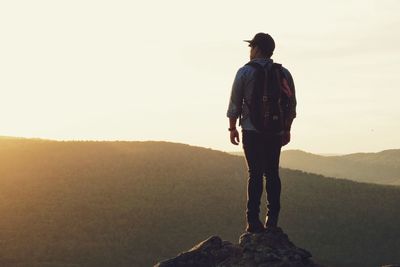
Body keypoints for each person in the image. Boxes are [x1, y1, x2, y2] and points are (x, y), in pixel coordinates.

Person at [226, 32, 297, 233]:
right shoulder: (283, 73)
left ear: (257, 48)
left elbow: (234, 103)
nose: (249, 51)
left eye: (251, 47)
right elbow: (291, 105)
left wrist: (232, 128)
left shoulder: (244, 72)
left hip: (251, 129)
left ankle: (252, 221)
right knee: (272, 173)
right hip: (275, 131)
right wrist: (286, 129)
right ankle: (272, 218)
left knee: (255, 174)